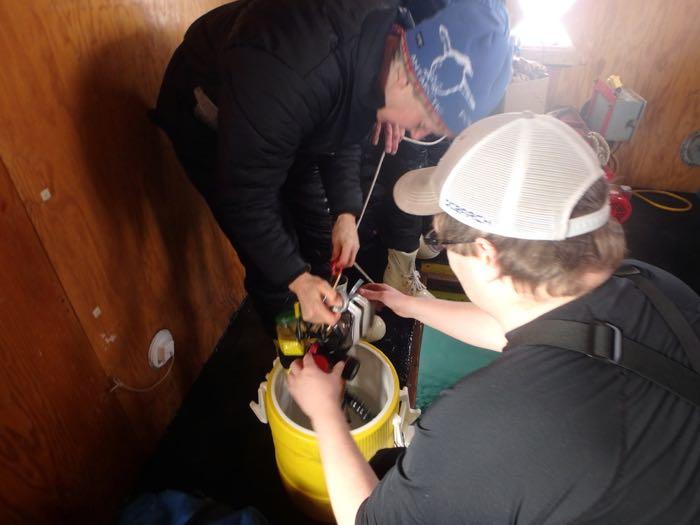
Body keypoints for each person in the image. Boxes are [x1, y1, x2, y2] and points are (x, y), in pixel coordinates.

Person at [286, 112, 700, 524]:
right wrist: (410, 305)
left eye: (441, 239)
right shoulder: (655, 285)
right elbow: (540, 332)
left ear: (486, 255)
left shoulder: (488, 423)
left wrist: (324, 410)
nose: (442, 248)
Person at [151, 0, 512, 332]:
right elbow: (245, 196)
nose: (414, 134)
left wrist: (345, 213)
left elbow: (346, 126)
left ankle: (330, 320)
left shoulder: (387, 50)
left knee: (319, 231)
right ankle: (294, 351)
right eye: (425, 123)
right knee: (274, 263)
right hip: (211, 114)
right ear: (409, 79)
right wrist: (295, 278)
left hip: (289, 114)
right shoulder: (295, 66)